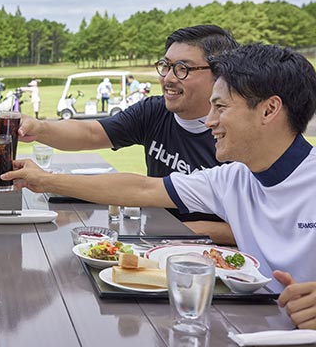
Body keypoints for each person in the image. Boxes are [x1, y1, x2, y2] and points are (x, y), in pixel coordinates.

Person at [5, 43, 316, 301]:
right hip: (257, 325)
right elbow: (143, 189)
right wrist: (42, 179)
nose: (209, 121)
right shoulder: (233, 178)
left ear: (269, 110)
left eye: (221, 108)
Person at [18, 25, 239, 244]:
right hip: (158, 241)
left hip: (214, 258)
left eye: (183, 68)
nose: (168, 78)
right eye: (166, 66)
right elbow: (92, 133)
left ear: (220, 74)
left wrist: (182, 230)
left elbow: (255, 228)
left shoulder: (238, 136)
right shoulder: (155, 111)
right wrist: (39, 128)